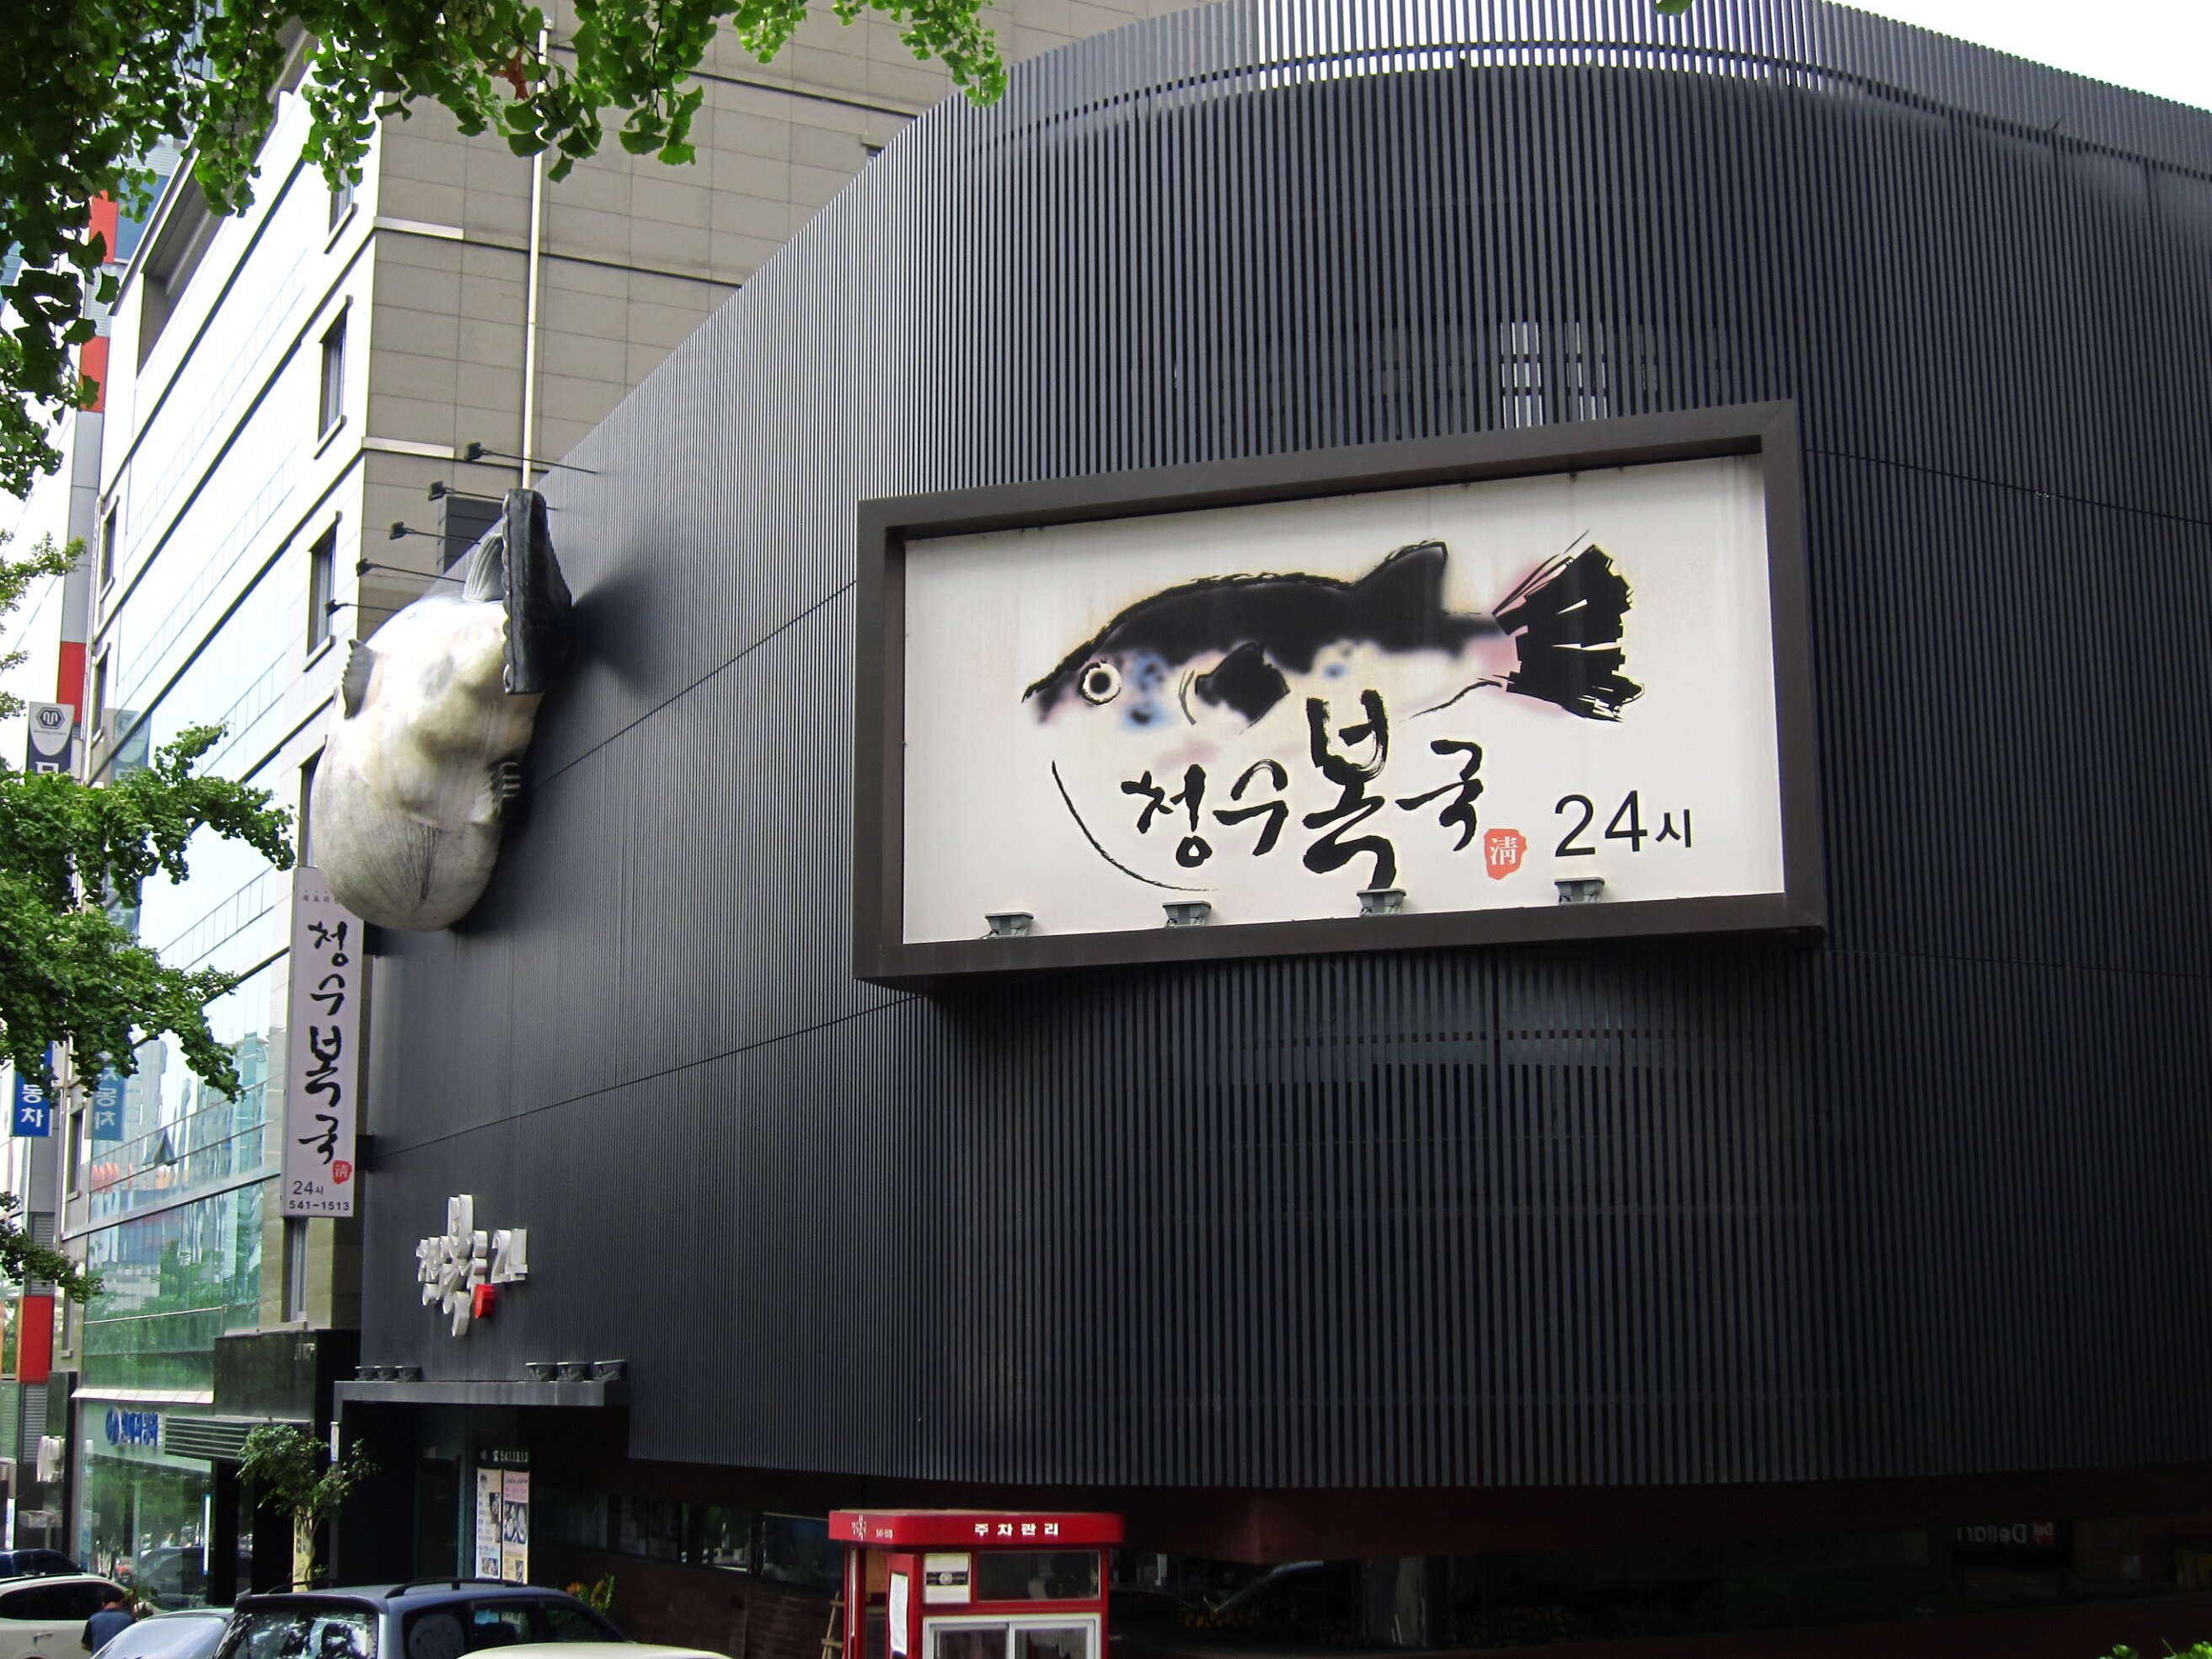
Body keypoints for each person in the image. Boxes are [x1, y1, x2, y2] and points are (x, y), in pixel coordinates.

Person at [82, 1589, 132, 1656]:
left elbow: (84, 1645)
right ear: (121, 1602)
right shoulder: (128, 1619)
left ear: (103, 1603)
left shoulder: (93, 1619)